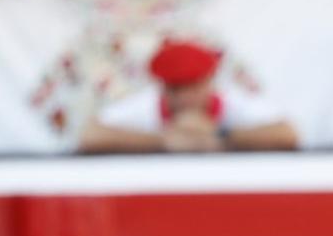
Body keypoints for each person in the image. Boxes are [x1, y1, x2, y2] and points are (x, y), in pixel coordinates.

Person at [78, 38, 298, 154]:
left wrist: (219, 137)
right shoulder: (145, 106)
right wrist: (164, 141)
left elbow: (287, 134)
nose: (185, 97)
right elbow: (90, 136)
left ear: (210, 81)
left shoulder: (233, 103)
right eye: (176, 89)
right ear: (162, 86)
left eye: (193, 86)